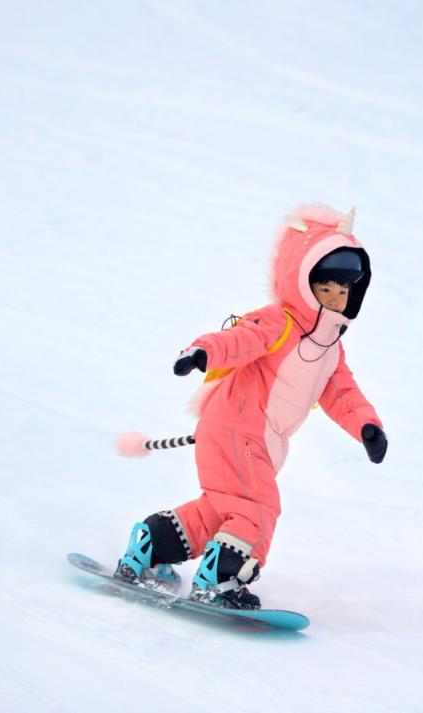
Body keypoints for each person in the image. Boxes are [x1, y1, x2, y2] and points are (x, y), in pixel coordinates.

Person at [114, 203, 388, 609]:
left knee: (223, 509)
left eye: (343, 290)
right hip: (239, 432)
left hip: (243, 436)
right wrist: (202, 352)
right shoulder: (280, 322)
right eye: (324, 287)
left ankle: (151, 545)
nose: (334, 297)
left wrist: (368, 427)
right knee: (259, 508)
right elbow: (240, 340)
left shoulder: (331, 347)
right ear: (301, 280)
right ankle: (222, 579)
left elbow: (342, 393)